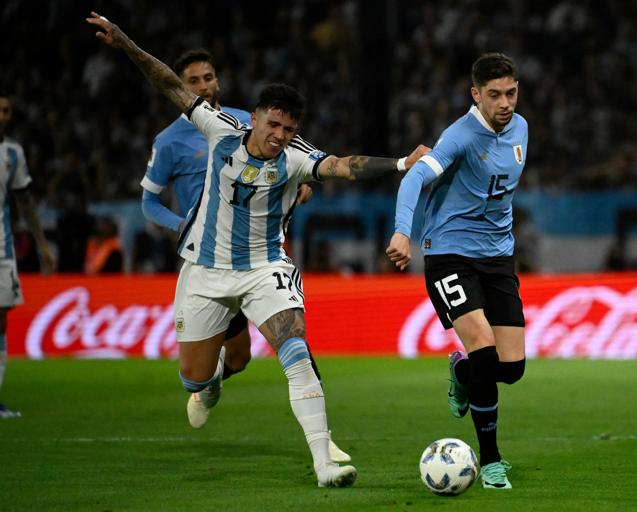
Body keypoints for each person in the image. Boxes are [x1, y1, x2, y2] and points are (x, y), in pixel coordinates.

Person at [87, 12, 428, 487]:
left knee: (296, 353)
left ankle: (324, 463)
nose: (279, 136)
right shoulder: (219, 129)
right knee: (194, 376)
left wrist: (400, 163)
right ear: (255, 118)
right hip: (205, 270)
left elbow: (341, 165)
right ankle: (209, 387)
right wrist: (125, 42)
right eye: (273, 125)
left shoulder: (295, 156)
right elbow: (167, 82)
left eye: (288, 128)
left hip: (265, 268)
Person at [138, 49, 350, 463]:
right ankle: (208, 383)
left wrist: (301, 185)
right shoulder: (169, 141)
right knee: (225, 362)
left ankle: (322, 438)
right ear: (182, 86)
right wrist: (181, 224)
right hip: (208, 261)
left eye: (208, 77)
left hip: (259, 258)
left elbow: (298, 163)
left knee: (291, 344)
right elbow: (149, 202)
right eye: (193, 81)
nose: (203, 86)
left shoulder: (250, 122)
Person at [386, 53, 528, 490]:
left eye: (511, 93)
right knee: (484, 350)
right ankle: (491, 461)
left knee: (510, 368)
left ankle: (463, 373)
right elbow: (414, 178)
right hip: (450, 254)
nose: (504, 103)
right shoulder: (459, 136)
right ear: (475, 95)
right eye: (494, 95)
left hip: (498, 257)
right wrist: (403, 232)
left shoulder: (521, 128)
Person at [0, 92, 56, 418]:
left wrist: (41, 244)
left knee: (1, 321)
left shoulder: (13, 152)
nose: (3, 115)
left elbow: (25, 203)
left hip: (2, 251)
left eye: (6, 110)